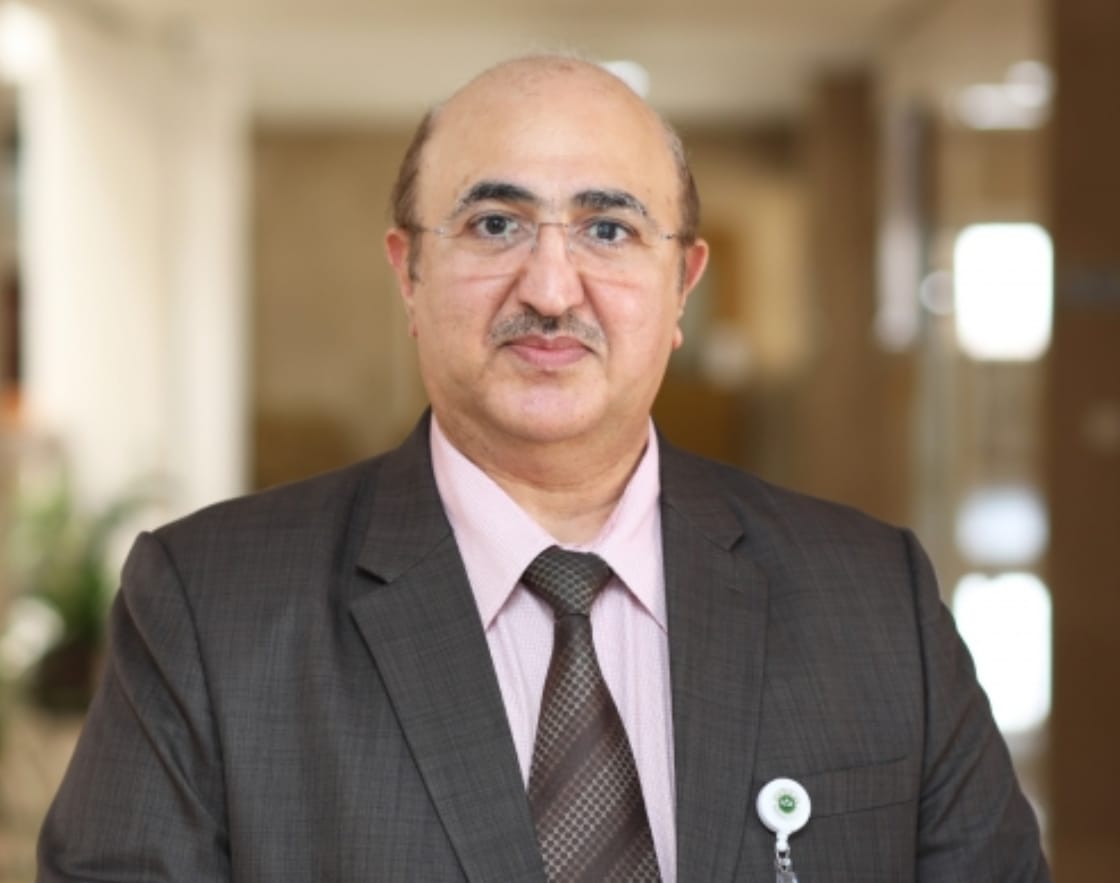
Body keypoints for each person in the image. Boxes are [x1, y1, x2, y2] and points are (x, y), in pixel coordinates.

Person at [38, 55, 1049, 882]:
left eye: (609, 229)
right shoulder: (210, 607)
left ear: (683, 281)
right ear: (408, 271)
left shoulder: (874, 599)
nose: (553, 288)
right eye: (495, 225)